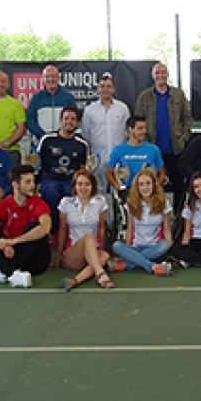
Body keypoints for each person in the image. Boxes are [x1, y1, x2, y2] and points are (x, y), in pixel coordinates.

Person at [0, 164, 52, 288]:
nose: (32, 186)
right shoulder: (5, 205)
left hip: (36, 260)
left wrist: (13, 241)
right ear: (15, 185)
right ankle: (12, 274)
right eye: (27, 182)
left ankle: (5, 272)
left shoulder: (39, 203)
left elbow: (45, 228)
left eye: (33, 181)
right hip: (10, 253)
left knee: (34, 226)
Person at [134, 62, 192, 191]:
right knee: (151, 183)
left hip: (175, 148)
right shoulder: (144, 97)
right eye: (157, 73)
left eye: (163, 72)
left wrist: (183, 138)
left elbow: (187, 118)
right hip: (151, 147)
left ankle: (177, 211)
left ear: (167, 74)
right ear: (152, 76)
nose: (161, 75)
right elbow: (137, 121)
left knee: (179, 183)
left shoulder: (179, 94)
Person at [56, 169, 115, 290]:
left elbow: (101, 228)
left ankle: (75, 281)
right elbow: (62, 230)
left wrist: (100, 249)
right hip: (73, 253)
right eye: (80, 184)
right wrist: (58, 255)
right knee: (89, 237)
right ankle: (100, 273)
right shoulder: (66, 203)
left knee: (104, 255)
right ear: (75, 186)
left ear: (93, 186)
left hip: (92, 252)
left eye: (87, 184)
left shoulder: (100, 202)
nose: (83, 188)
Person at [37, 106, 90, 234]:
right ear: (61, 121)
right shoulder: (47, 139)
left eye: (73, 119)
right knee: (51, 193)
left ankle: (70, 233)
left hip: (71, 180)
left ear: (77, 123)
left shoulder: (82, 144)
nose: (69, 122)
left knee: (70, 195)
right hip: (50, 178)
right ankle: (53, 231)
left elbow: (85, 169)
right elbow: (36, 162)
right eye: (66, 118)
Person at [111, 168, 173, 275]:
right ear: (137, 187)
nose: (145, 187)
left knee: (165, 245)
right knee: (116, 245)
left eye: (148, 183)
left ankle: (129, 263)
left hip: (155, 246)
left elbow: (167, 229)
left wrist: (169, 245)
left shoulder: (164, 203)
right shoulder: (131, 203)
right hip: (136, 245)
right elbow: (130, 228)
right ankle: (152, 266)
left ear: (154, 185)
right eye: (141, 184)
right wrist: (127, 247)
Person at [81, 72, 130, 193]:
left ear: (113, 89)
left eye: (108, 86)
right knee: (98, 193)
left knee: (119, 191)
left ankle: (117, 213)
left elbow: (128, 133)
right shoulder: (89, 110)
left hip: (119, 159)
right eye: (102, 86)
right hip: (98, 159)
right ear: (98, 89)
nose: (105, 89)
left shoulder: (122, 108)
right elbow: (86, 134)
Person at [107, 116, 166, 192]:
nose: (144, 131)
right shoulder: (118, 150)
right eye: (140, 128)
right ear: (130, 129)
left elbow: (162, 173)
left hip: (147, 192)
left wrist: (156, 186)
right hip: (126, 191)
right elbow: (109, 173)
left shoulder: (154, 150)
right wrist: (116, 185)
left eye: (145, 128)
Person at [26, 64, 77, 145]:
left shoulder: (68, 97)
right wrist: (41, 135)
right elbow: (30, 120)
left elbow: (74, 119)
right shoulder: (36, 98)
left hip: (64, 142)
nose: (51, 79)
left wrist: (64, 134)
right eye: (47, 76)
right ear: (43, 79)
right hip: (41, 142)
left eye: (54, 76)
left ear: (59, 78)